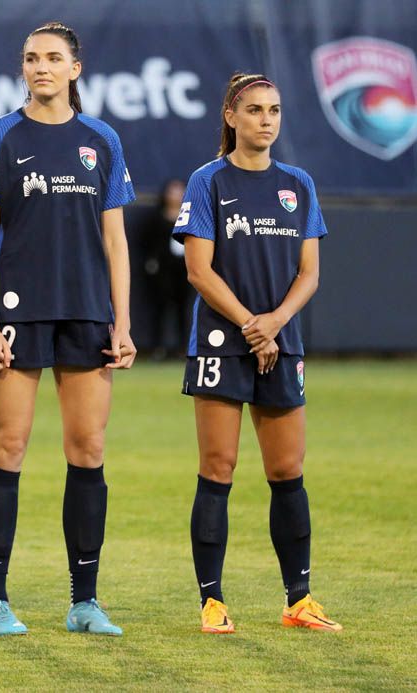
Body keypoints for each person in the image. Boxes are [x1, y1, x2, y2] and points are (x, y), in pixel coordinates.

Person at [0, 21, 136, 637]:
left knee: (87, 449)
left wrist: (122, 321)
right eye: (32, 58)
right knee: (8, 446)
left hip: (87, 312)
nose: (41, 67)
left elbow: (116, 241)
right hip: (19, 311)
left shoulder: (101, 139)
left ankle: (84, 602)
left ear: (74, 69)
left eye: (53, 58)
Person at [174, 72, 341, 634]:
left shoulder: (299, 184)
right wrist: (251, 324)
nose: (265, 120)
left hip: (281, 340)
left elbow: (310, 273)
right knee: (218, 469)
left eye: (273, 110)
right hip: (225, 342)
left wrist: (275, 323)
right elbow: (199, 269)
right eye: (253, 110)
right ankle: (212, 602)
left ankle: (299, 597)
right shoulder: (208, 181)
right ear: (230, 116)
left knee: (287, 470)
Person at [140, 178, 193, 359]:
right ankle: (158, 347)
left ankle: (182, 347)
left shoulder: (189, 218)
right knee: (160, 308)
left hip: (184, 271)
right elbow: (146, 243)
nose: (176, 196)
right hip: (162, 272)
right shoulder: (156, 218)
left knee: (183, 309)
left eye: (180, 192)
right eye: (172, 191)